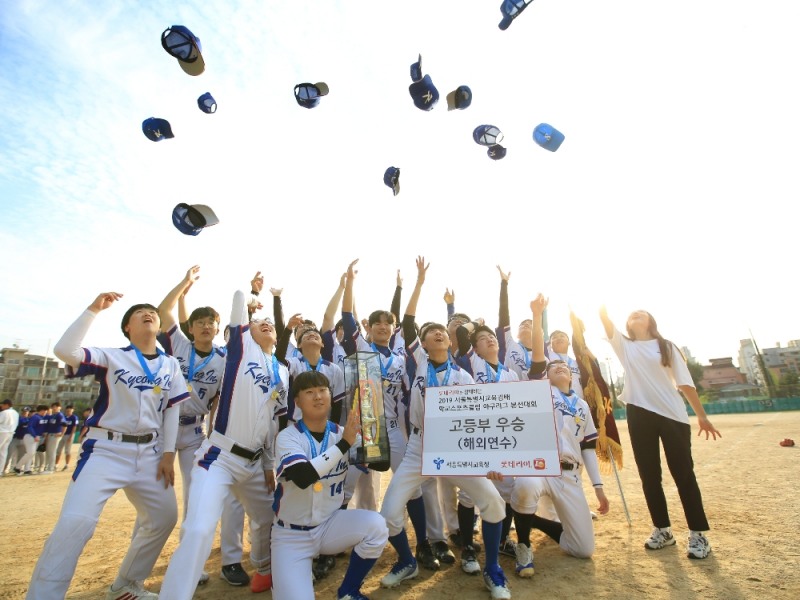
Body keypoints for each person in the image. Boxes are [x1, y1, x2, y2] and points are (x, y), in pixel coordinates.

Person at [27, 292, 189, 600]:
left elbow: (172, 411)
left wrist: (168, 454)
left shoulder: (170, 364)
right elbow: (65, 350)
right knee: (77, 523)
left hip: (151, 454)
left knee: (163, 518)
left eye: (151, 312)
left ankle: (126, 585)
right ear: (127, 327)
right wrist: (92, 310)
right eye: (139, 312)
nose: (148, 314)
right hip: (106, 450)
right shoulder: (113, 357)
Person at [379, 256, 511, 600]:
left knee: (494, 504)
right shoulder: (415, 363)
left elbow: (477, 424)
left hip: (456, 450)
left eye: (441, 331)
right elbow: (408, 321)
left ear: (451, 341)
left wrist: (488, 460)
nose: (436, 333)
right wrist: (420, 282)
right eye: (429, 332)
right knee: (389, 514)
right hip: (420, 448)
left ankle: (493, 571)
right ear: (421, 345)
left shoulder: (464, 376)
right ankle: (407, 561)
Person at [159, 289, 289, 598]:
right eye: (258, 321)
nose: (265, 324)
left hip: (256, 463)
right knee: (200, 528)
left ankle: (263, 567)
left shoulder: (282, 370)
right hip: (220, 457)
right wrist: (251, 295)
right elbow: (238, 302)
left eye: (269, 322)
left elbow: (273, 422)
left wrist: (269, 463)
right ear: (245, 329)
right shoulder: (241, 348)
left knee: (269, 519)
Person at [600, 307, 720, 560]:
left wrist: (702, 415)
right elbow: (605, 320)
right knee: (649, 475)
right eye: (631, 315)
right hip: (639, 413)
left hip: (672, 414)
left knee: (683, 473)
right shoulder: (624, 346)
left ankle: (698, 533)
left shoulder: (666, 346)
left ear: (651, 321)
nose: (635, 316)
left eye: (641, 313)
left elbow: (685, 382)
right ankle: (662, 530)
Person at [157, 265, 250, 587]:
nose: (207, 326)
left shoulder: (224, 359)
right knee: (158, 504)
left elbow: (221, 401)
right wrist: (185, 283)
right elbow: (162, 310)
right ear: (191, 328)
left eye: (212, 322)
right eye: (201, 322)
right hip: (161, 430)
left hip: (196, 432)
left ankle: (195, 566)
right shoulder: (180, 345)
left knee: (197, 499)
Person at [506, 294, 610, 579]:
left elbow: (588, 447)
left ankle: (531, 521)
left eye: (563, 366)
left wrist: (598, 487)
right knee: (525, 487)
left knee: (583, 549)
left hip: (569, 474)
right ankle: (523, 545)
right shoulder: (542, 389)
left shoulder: (581, 405)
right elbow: (539, 352)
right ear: (545, 374)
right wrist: (538, 316)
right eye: (553, 367)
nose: (559, 367)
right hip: (540, 465)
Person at [271, 370, 389, 600]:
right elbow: (303, 477)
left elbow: (383, 464)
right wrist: (345, 444)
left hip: (329, 526)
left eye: (322, 390)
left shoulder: (344, 433)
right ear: (297, 402)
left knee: (376, 526)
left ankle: (348, 592)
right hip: (290, 535)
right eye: (309, 392)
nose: (318, 396)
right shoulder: (288, 437)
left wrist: (374, 420)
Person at [453, 266, 521, 574]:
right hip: (476, 436)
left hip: (503, 437)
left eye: (492, 337)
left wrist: (505, 283)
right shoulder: (473, 362)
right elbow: (460, 333)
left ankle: (502, 539)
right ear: (475, 347)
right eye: (483, 338)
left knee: (504, 491)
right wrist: (473, 324)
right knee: (470, 493)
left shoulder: (508, 373)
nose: (489, 340)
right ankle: (468, 547)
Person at [15, 404, 47, 476]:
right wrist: (35, 435)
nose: (45, 412)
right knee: (30, 453)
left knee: (30, 454)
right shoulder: (35, 417)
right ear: (42, 410)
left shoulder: (40, 417)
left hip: (35, 437)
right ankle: (18, 467)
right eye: (45, 411)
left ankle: (27, 469)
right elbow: (30, 427)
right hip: (30, 436)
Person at [54, 405, 80, 471]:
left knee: (67, 451)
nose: (68, 411)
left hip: (69, 434)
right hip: (62, 435)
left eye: (70, 410)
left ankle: (67, 465)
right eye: (67, 410)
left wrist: (71, 436)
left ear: (72, 410)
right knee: (58, 450)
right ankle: (56, 465)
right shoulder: (64, 417)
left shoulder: (74, 417)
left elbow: (74, 427)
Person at [5, 405, 29, 474]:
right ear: (22, 412)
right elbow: (20, 424)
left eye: (26, 412)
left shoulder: (29, 420)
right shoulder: (18, 418)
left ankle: (17, 468)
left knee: (21, 455)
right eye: (24, 411)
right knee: (9, 454)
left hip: (23, 439)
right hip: (15, 438)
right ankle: (5, 468)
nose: (25, 413)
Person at [43, 402, 64, 473]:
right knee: (49, 451)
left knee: (52, 452)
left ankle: (51, 468)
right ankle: (47, 467)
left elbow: (65, 425)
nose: (54, 408)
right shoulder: (53, 415)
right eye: (53, 407)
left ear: (59, 407)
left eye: (56, 406)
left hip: (55, 435)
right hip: (50, 435)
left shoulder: (60, 415)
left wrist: (61, 434)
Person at [0, 399, 19, 476]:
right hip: (10, 433)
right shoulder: (16, 413)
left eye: (3, 404)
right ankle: (0, 470)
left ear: (7, 405)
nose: (2, 406)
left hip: (2, 432)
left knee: (3, 452)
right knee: (3, 452)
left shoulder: (4, 413)